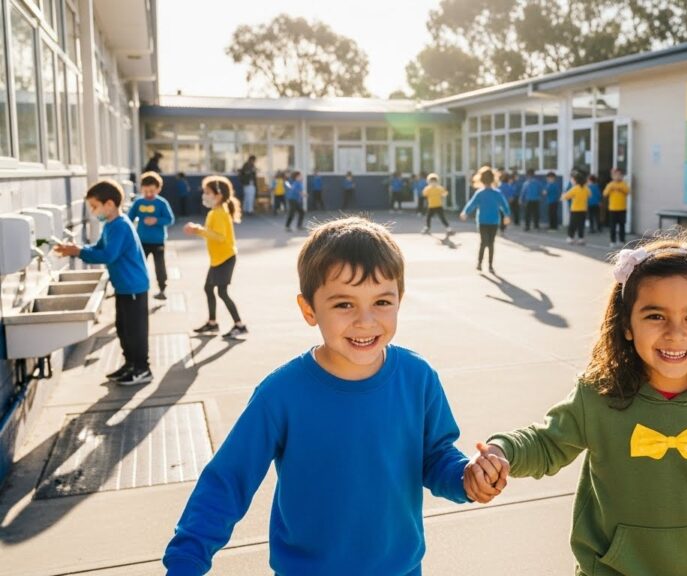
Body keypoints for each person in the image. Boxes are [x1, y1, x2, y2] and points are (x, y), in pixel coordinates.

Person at [465, 233, 687, 576]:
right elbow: (545, 442)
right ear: (627, 324)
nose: (675, 333)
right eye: (655, 316)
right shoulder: (599, 396)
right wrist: (502, 452)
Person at [163, 217, 481, 575]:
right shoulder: (281, 394)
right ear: (309, 310)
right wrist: (186, 560)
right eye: (344, 304)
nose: (365, 320)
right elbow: (227, 482)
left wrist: (465, 477)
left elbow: (435, 456)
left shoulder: (417, 378)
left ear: (399, 300)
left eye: (381, 301)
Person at [55, 180, 152, 386]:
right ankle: (130, 364)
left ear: (109, 204)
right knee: (123, 328)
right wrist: (78, 249)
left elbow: (108, 255)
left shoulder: (120, 226)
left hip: (133, 287)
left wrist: (78, 252)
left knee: (135, 331)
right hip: (124, 287)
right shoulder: (110, 225)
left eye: (94, 206)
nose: (93, 211)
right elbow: (99, 247)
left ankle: (142, 368)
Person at [184, 176, 248, 340]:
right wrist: (200, 230)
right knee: (208, 288)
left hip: (225, 259)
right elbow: (213, 235)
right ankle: (212, 323)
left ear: (218, 195)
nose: (204, 195)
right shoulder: (215, 212)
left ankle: (240, 325)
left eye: (207, 192)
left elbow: (220, 237)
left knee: (222, 292)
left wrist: (198, 230)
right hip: (218, 259)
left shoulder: (219, 213)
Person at [128, 171, 175, 300]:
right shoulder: (138, 202)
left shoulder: (162, 203)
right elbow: (129, 218)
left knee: (160, 266)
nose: (148, 194)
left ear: (158, 189)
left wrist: (156, 220)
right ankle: (138, 288)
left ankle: (162, 289)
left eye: (152, 191)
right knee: (138, 264)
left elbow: (170, 219)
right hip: (141, 241)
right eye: (146, 191)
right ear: (141, 189)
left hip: (158, 241)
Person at [461, 166, 511, 274]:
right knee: (491, 243)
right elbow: (504, 205)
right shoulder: (497, 193)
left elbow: (471, 204)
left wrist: (465, 212)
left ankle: (479, 263)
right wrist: (507, 216)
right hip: (494, 221)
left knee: (483, 242)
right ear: (494, 179)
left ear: (481, 180)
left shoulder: (480, 193)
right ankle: (490, 265)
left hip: (482, 221)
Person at [604, 168, 630, 249]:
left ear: (622, 176)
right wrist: (610, 188)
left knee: (622, 225)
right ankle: (612, 241)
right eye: (615, 175)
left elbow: (628, 192)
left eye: (619, 175)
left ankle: (622, 240)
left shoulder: (624, 184)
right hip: (613, 209)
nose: (617, 176)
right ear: (613, 176)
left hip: (622, 208)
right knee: (613, 226)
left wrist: (621, 189)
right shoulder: (610, 184)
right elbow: (605, 194)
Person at [562, 171, 590, 245]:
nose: (571, 180)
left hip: (575, 210)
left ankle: (570, 238)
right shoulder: (585, 188)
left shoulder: (575, 188)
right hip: (583, 209)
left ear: (576, 180)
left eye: (572, 179)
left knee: (572, 224)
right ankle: (581, 238)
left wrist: (563, 194)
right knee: (581, 225)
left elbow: (566, 197)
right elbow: (589, 194)